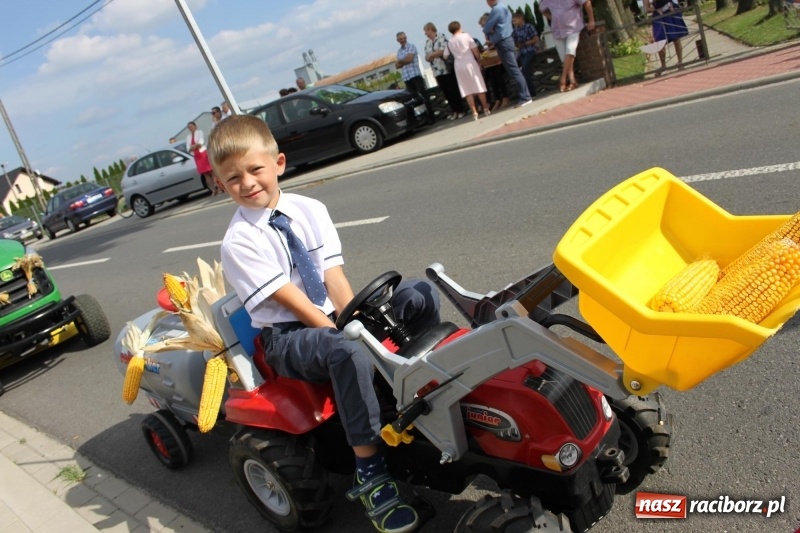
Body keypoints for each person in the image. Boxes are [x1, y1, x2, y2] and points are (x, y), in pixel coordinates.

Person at [208, 114, 442, 533]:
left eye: (255, 169)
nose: (247, 183)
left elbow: (333, 278)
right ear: (221, 185)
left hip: (332, 316)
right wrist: (350, 334)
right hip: (286, 337)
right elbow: (293, 301)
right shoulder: (239, 241)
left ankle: (421, 389)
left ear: (278, 163)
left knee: (418, 294)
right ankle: (370, 471)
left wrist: (358, 318)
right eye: (233, 177)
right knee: (348, 349)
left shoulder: (309, 209)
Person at [482, 0, 533, 107]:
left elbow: (486, 28)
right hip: (506, 40)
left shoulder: (496, 10)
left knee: (514, 70)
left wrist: (491, 30)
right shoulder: (504, 8)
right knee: (514, 70)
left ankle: (525, 97)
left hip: (503, 41)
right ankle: (525, 96)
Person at [540, 0, 596, 92]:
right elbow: (541, 9)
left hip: (573, 29)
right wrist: (552, 17)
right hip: (557, 32)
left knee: (570, 51)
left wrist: (591, 20)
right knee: (564, 58)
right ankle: (573, 81)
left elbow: (587, 3)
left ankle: (563, 79)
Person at [444, 21, 491, 121]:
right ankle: (485, 108)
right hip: (470, 62)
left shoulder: (450, 41)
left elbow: (445, 55)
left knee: (466, 89)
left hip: (458, 65)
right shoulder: (466, 36)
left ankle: (474, 112)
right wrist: (479, 60)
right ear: (459, 27)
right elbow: (475, 49)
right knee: (478, 85)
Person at [423, 22, 466, 120]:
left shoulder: (441, 37)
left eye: (425, 31)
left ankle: (460, 110)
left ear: (430, 29)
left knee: (453, 90)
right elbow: (427, 56)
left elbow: (443, 50)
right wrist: (431, 56)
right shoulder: (427, 42)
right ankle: (454, 111)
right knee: (446, 92)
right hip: (437, 71)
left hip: (446, 69)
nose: (425, 33)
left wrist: (432, 55)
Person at [395, 31, 435, 125]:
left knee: (424, 97)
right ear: (398, 40)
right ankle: (420, 119)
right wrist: (403, 60)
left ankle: (431, 117)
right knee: (413, 100)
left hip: (415, 76)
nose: (403, 40)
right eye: (401, 39)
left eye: (404, 38)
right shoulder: (399, 51)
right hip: (407, 78)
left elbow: (409, 59)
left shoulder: (411, 46)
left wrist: (401, 61)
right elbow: (397, 65)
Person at [643, 0, 688, 75]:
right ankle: (663, 65)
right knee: (659, 40)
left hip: (670, 11)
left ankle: (680, 63)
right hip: (658, 15)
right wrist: (655, 9)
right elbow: (647, 9)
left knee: (675, 37)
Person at [479, 12, 510, 111]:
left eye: (483, 25)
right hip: (492, 58)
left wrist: (490, 44)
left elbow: (499, 41)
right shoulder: (486, 33)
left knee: (498, 75)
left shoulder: (495, 29)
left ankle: (505, 97)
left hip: (501, 57)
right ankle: (497, 99)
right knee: (490, 77)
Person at [185, 121, 220, 196]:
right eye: (189, 127)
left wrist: (193, 146)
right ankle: (213, 189)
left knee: (211, 172)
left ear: (195, 126)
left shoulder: (200, 132)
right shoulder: (188, 137)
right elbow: (188, 148)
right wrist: (194, 146)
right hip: (197, 156)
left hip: (203, 154)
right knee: (205, 174)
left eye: (191, 126)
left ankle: (218, 187)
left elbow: (201, 142)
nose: (190, 128)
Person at [512, 12, 539, 97]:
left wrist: (526, 43)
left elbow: (535, 39)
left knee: (525, 68)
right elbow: (514, 42)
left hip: (530, 50)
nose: (514, 22)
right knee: (516, 69)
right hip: (521, 52)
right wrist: (518, 44)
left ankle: (531, 92)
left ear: (520, 18)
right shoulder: (515, 30)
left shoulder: (528, 27)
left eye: (515, 20)